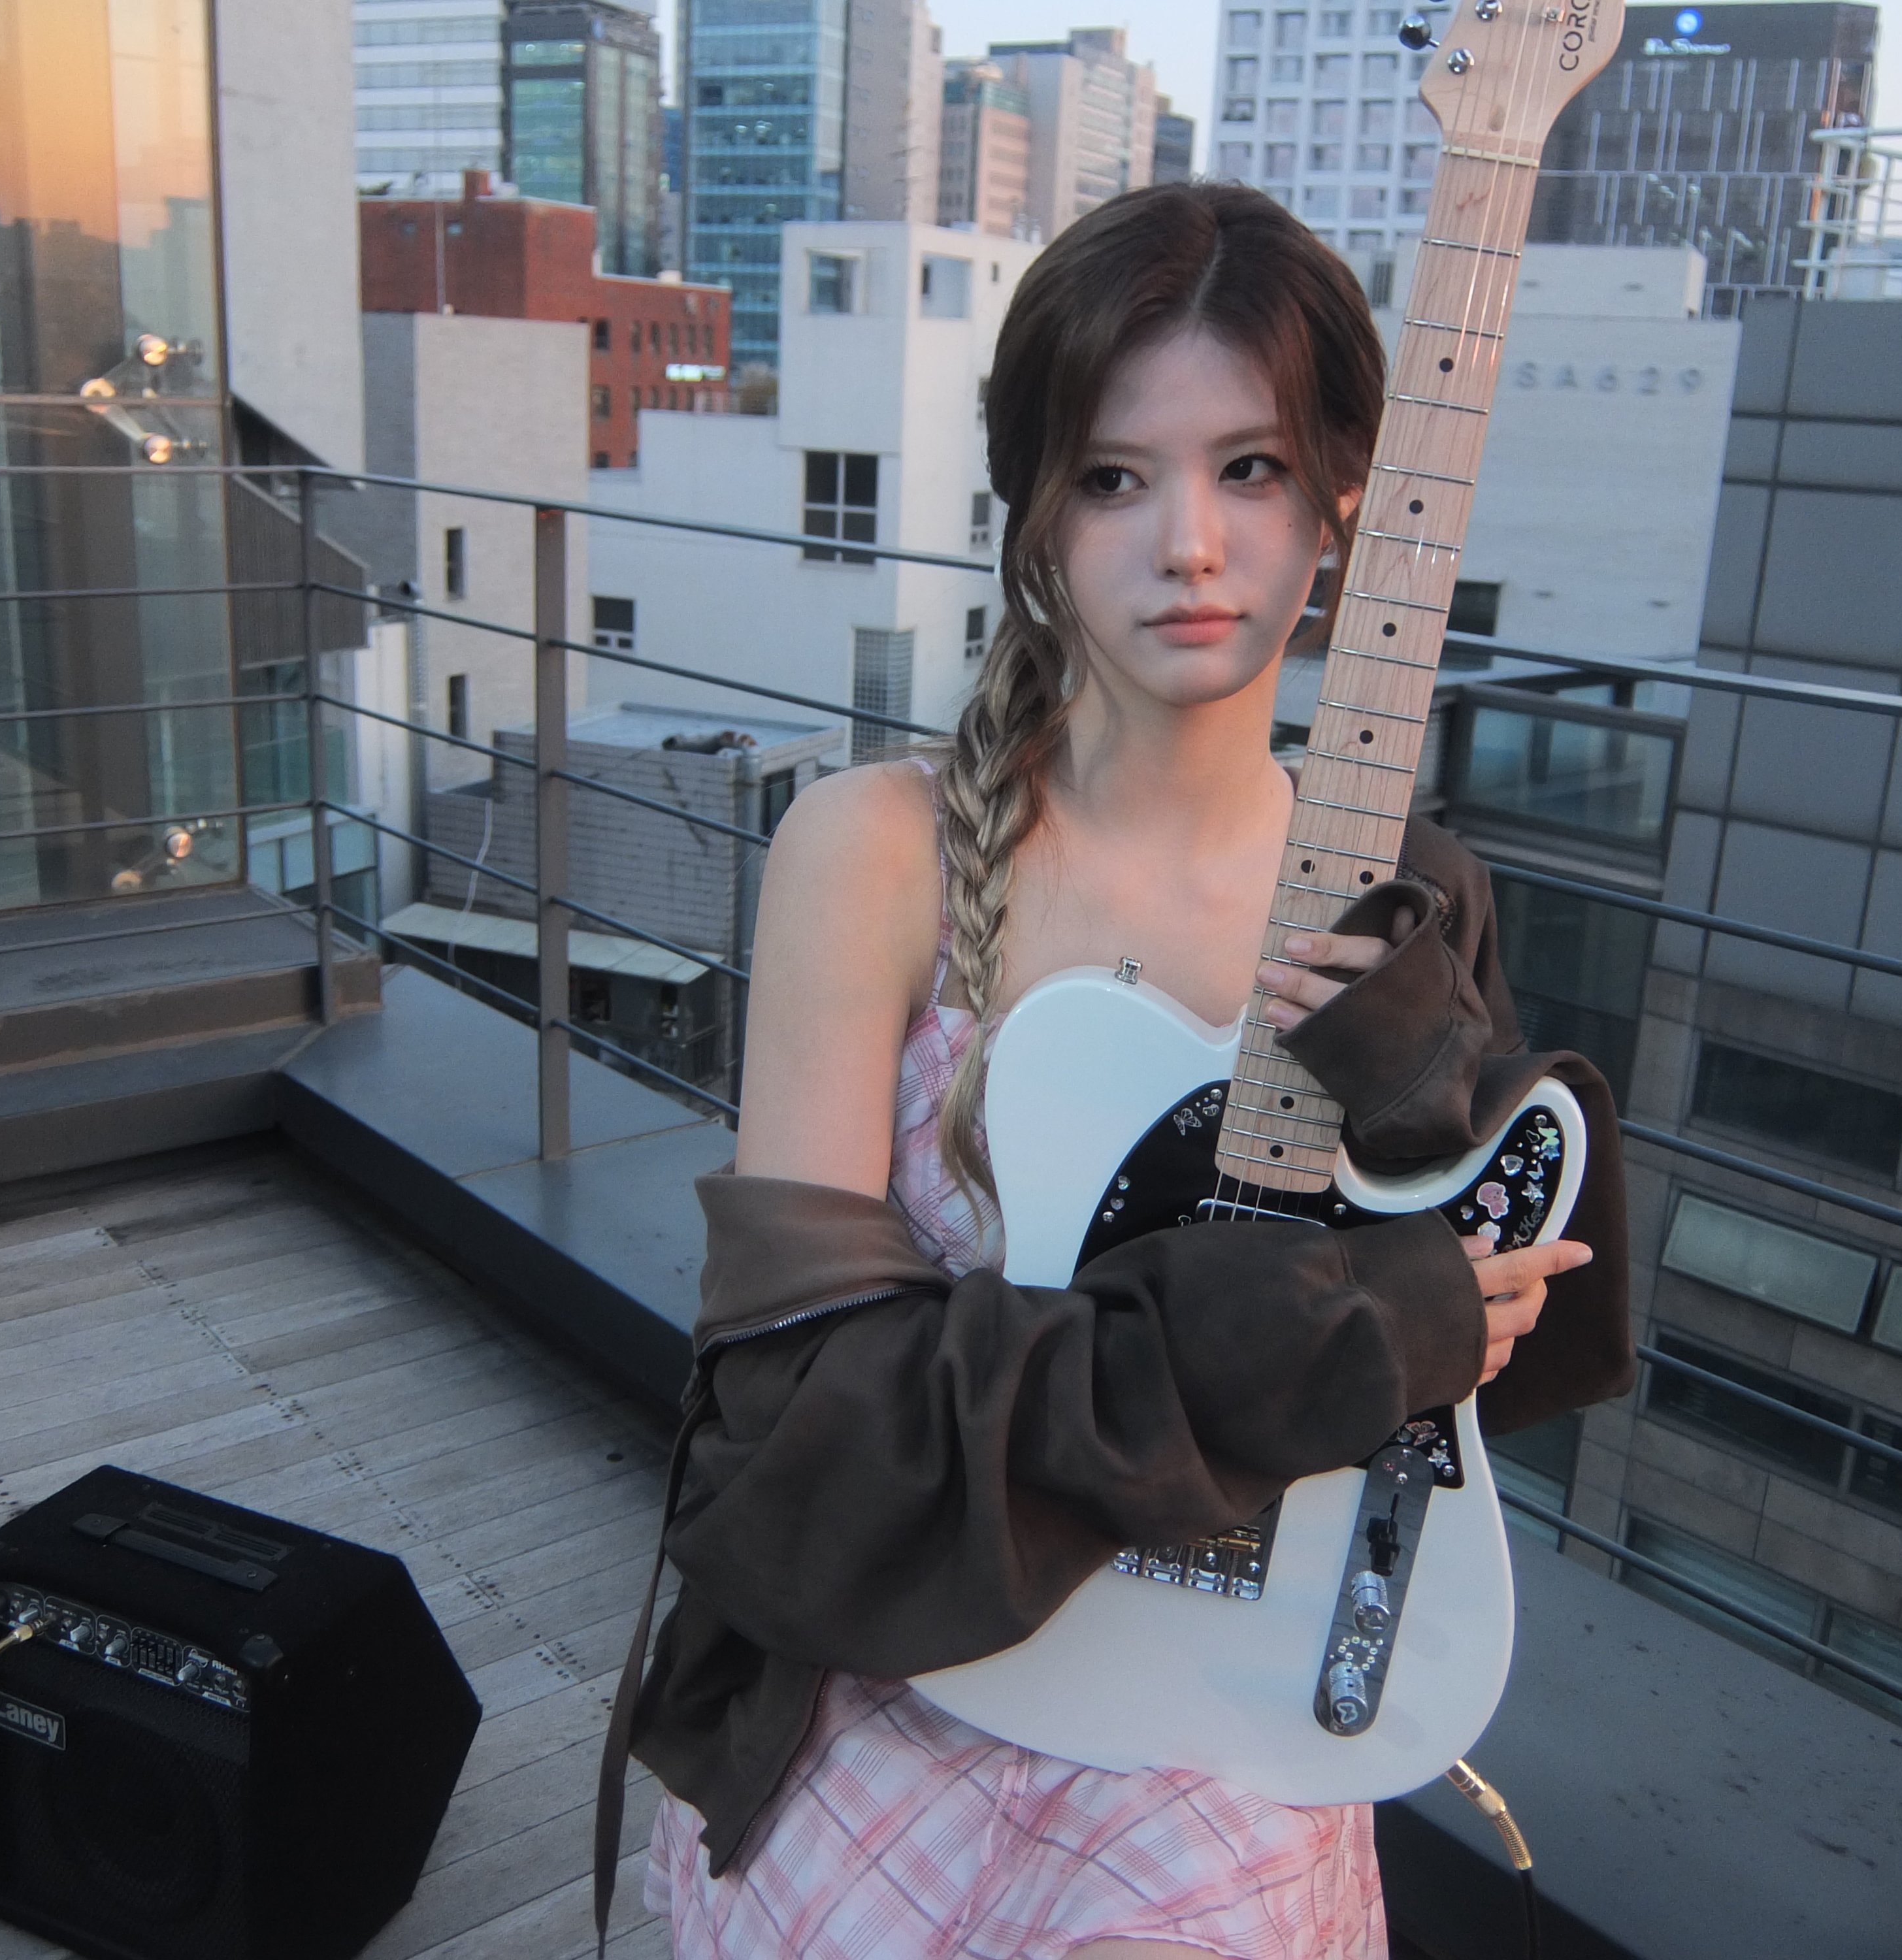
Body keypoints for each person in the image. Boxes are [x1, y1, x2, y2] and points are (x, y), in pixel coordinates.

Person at [598, 182, 1633, 1960]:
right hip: (903, 1670)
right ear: (1035, 516)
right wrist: (1305, 1338)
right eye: (1113, 477)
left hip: (1230, 1708)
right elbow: (792, 1425)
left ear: (1343, 501)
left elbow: (1478, 1357)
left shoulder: (1411, 891)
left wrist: (1425, 1125)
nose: (1192, 546)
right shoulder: (876, 853)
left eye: (1252, 468)